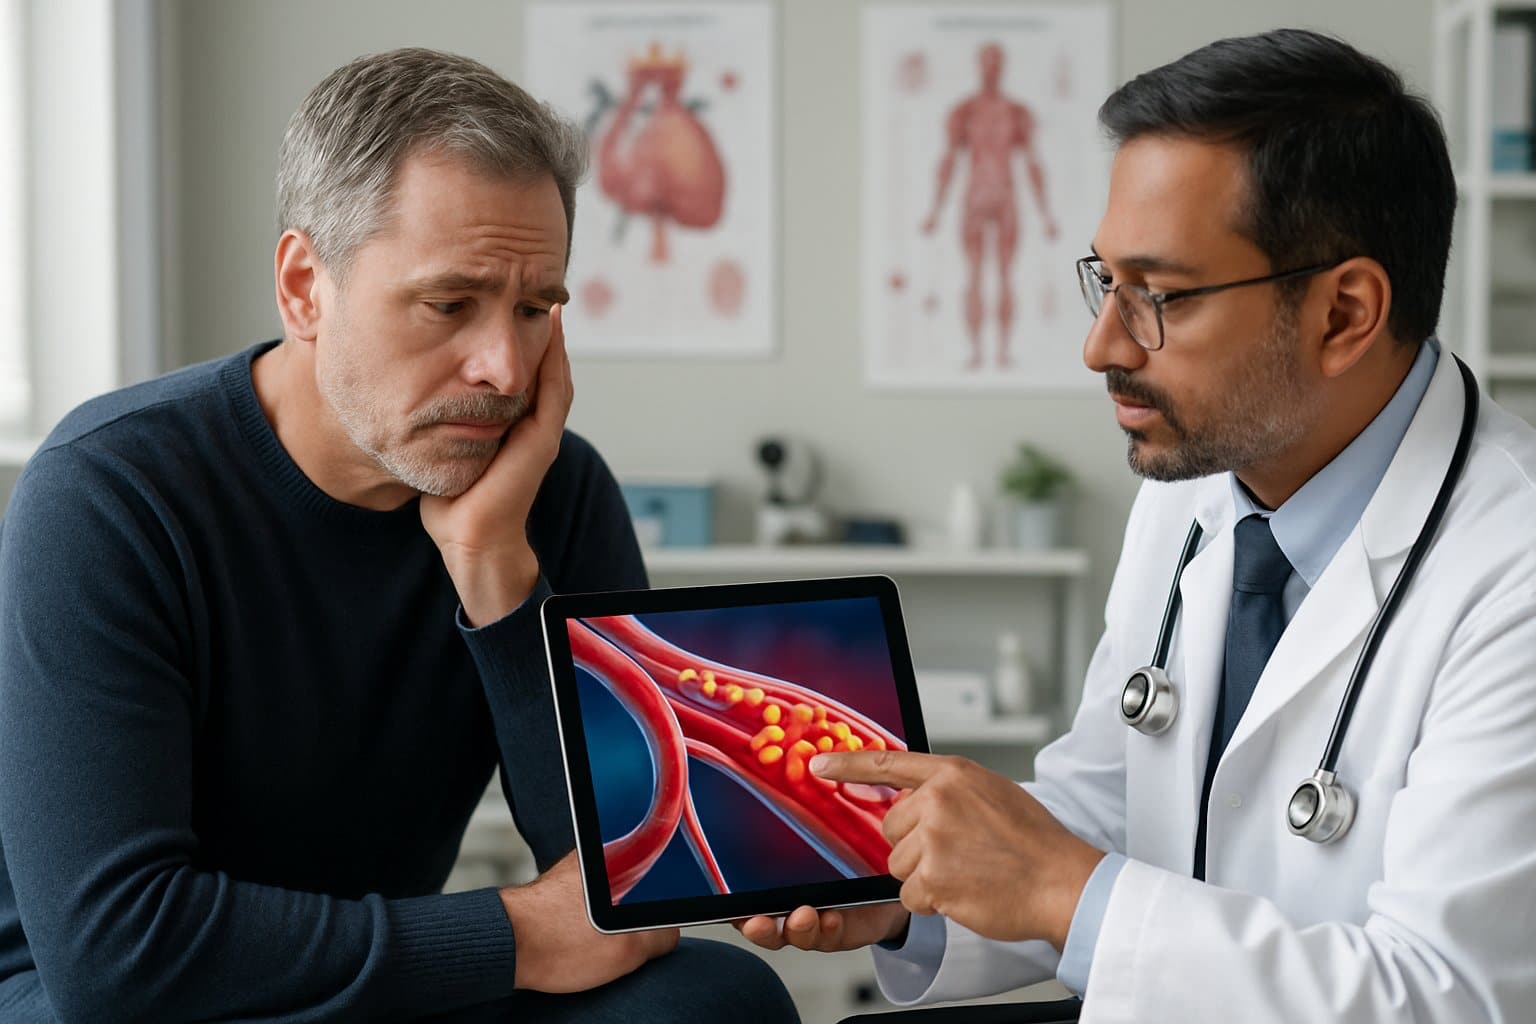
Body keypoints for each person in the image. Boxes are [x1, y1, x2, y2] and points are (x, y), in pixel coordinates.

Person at [740, 28, 1536, 1023]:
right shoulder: (1194, 487)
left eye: (1159, 295)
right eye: (1105, 279)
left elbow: (1448, 998)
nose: (1100, 343)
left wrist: (1064, 887)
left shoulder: (1514, 569)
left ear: (1344, 314)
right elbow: (1113, 811)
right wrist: (912, 903)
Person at [0, 48, 797, 1023]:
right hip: (119, 1003)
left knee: (716, 1001)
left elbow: (623, 885)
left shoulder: (554, 487)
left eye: (536, 308)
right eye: (450, 304)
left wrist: (497, 569)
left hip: (378, 981)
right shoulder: (111, 491)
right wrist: (517, 936)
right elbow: (112, 955)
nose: (504, 367)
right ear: (304, 287)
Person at [921, 42, 1059, 370]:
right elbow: (948, 160)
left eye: (997, 61)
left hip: (1006, 197)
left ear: (1004, 66)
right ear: (978, 65)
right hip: (975, 197)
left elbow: (1032, 163)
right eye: (986, 61)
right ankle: (976, 352)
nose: (991, 68)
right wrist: (935, 211)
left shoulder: (1017, 112)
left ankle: (1002, 351)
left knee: (1005, 275)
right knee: (973, 275)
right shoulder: (963, 111)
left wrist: (1045, 214)